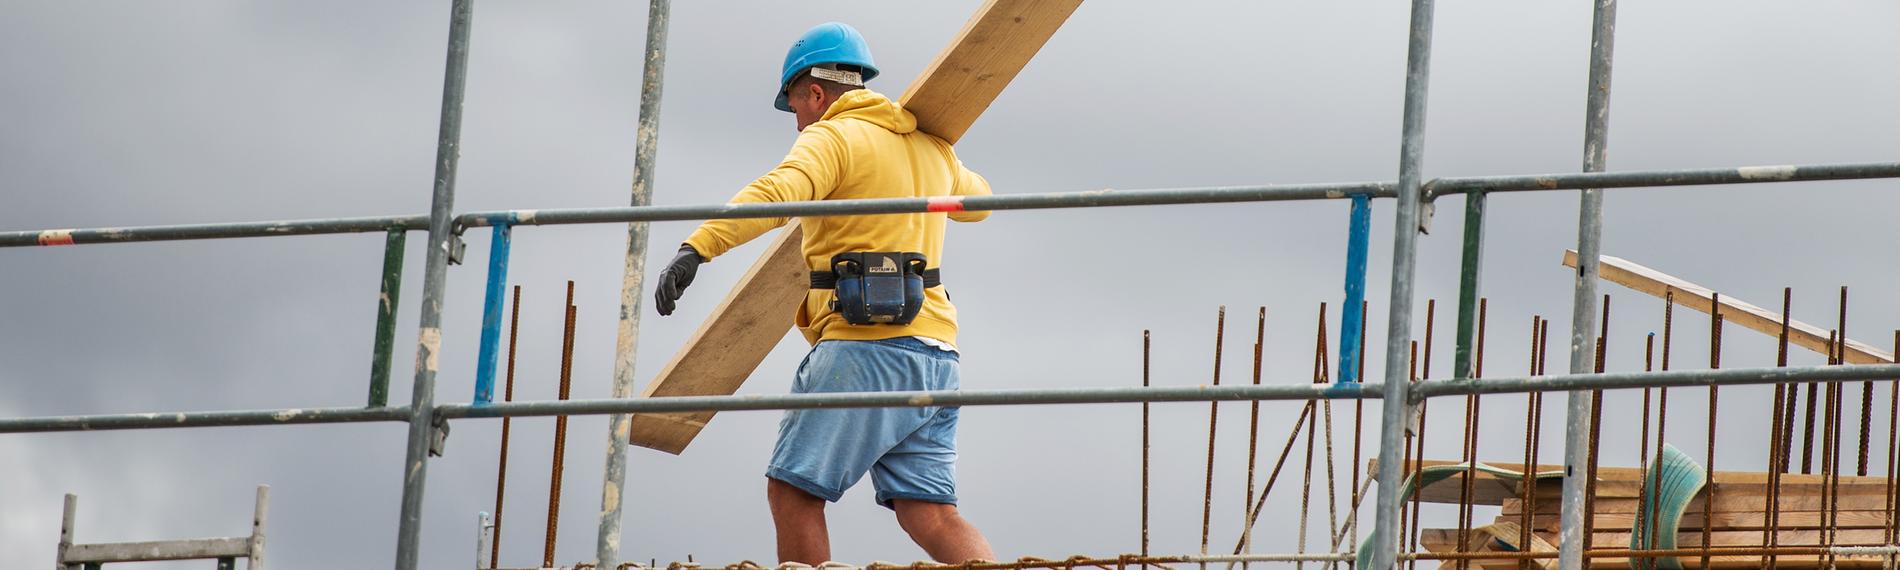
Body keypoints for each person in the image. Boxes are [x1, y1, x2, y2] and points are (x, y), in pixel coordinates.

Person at [652, 21, 995, 565]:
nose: (795, 121)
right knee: (929, 512)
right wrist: (933, 161)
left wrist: (699, 246)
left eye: (793, 106)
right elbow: (979, 203)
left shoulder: (832, 136)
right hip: (937, 355)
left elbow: (777, 193)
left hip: (865, 349)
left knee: (793, 492)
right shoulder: (932, 149)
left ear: (815, 92)